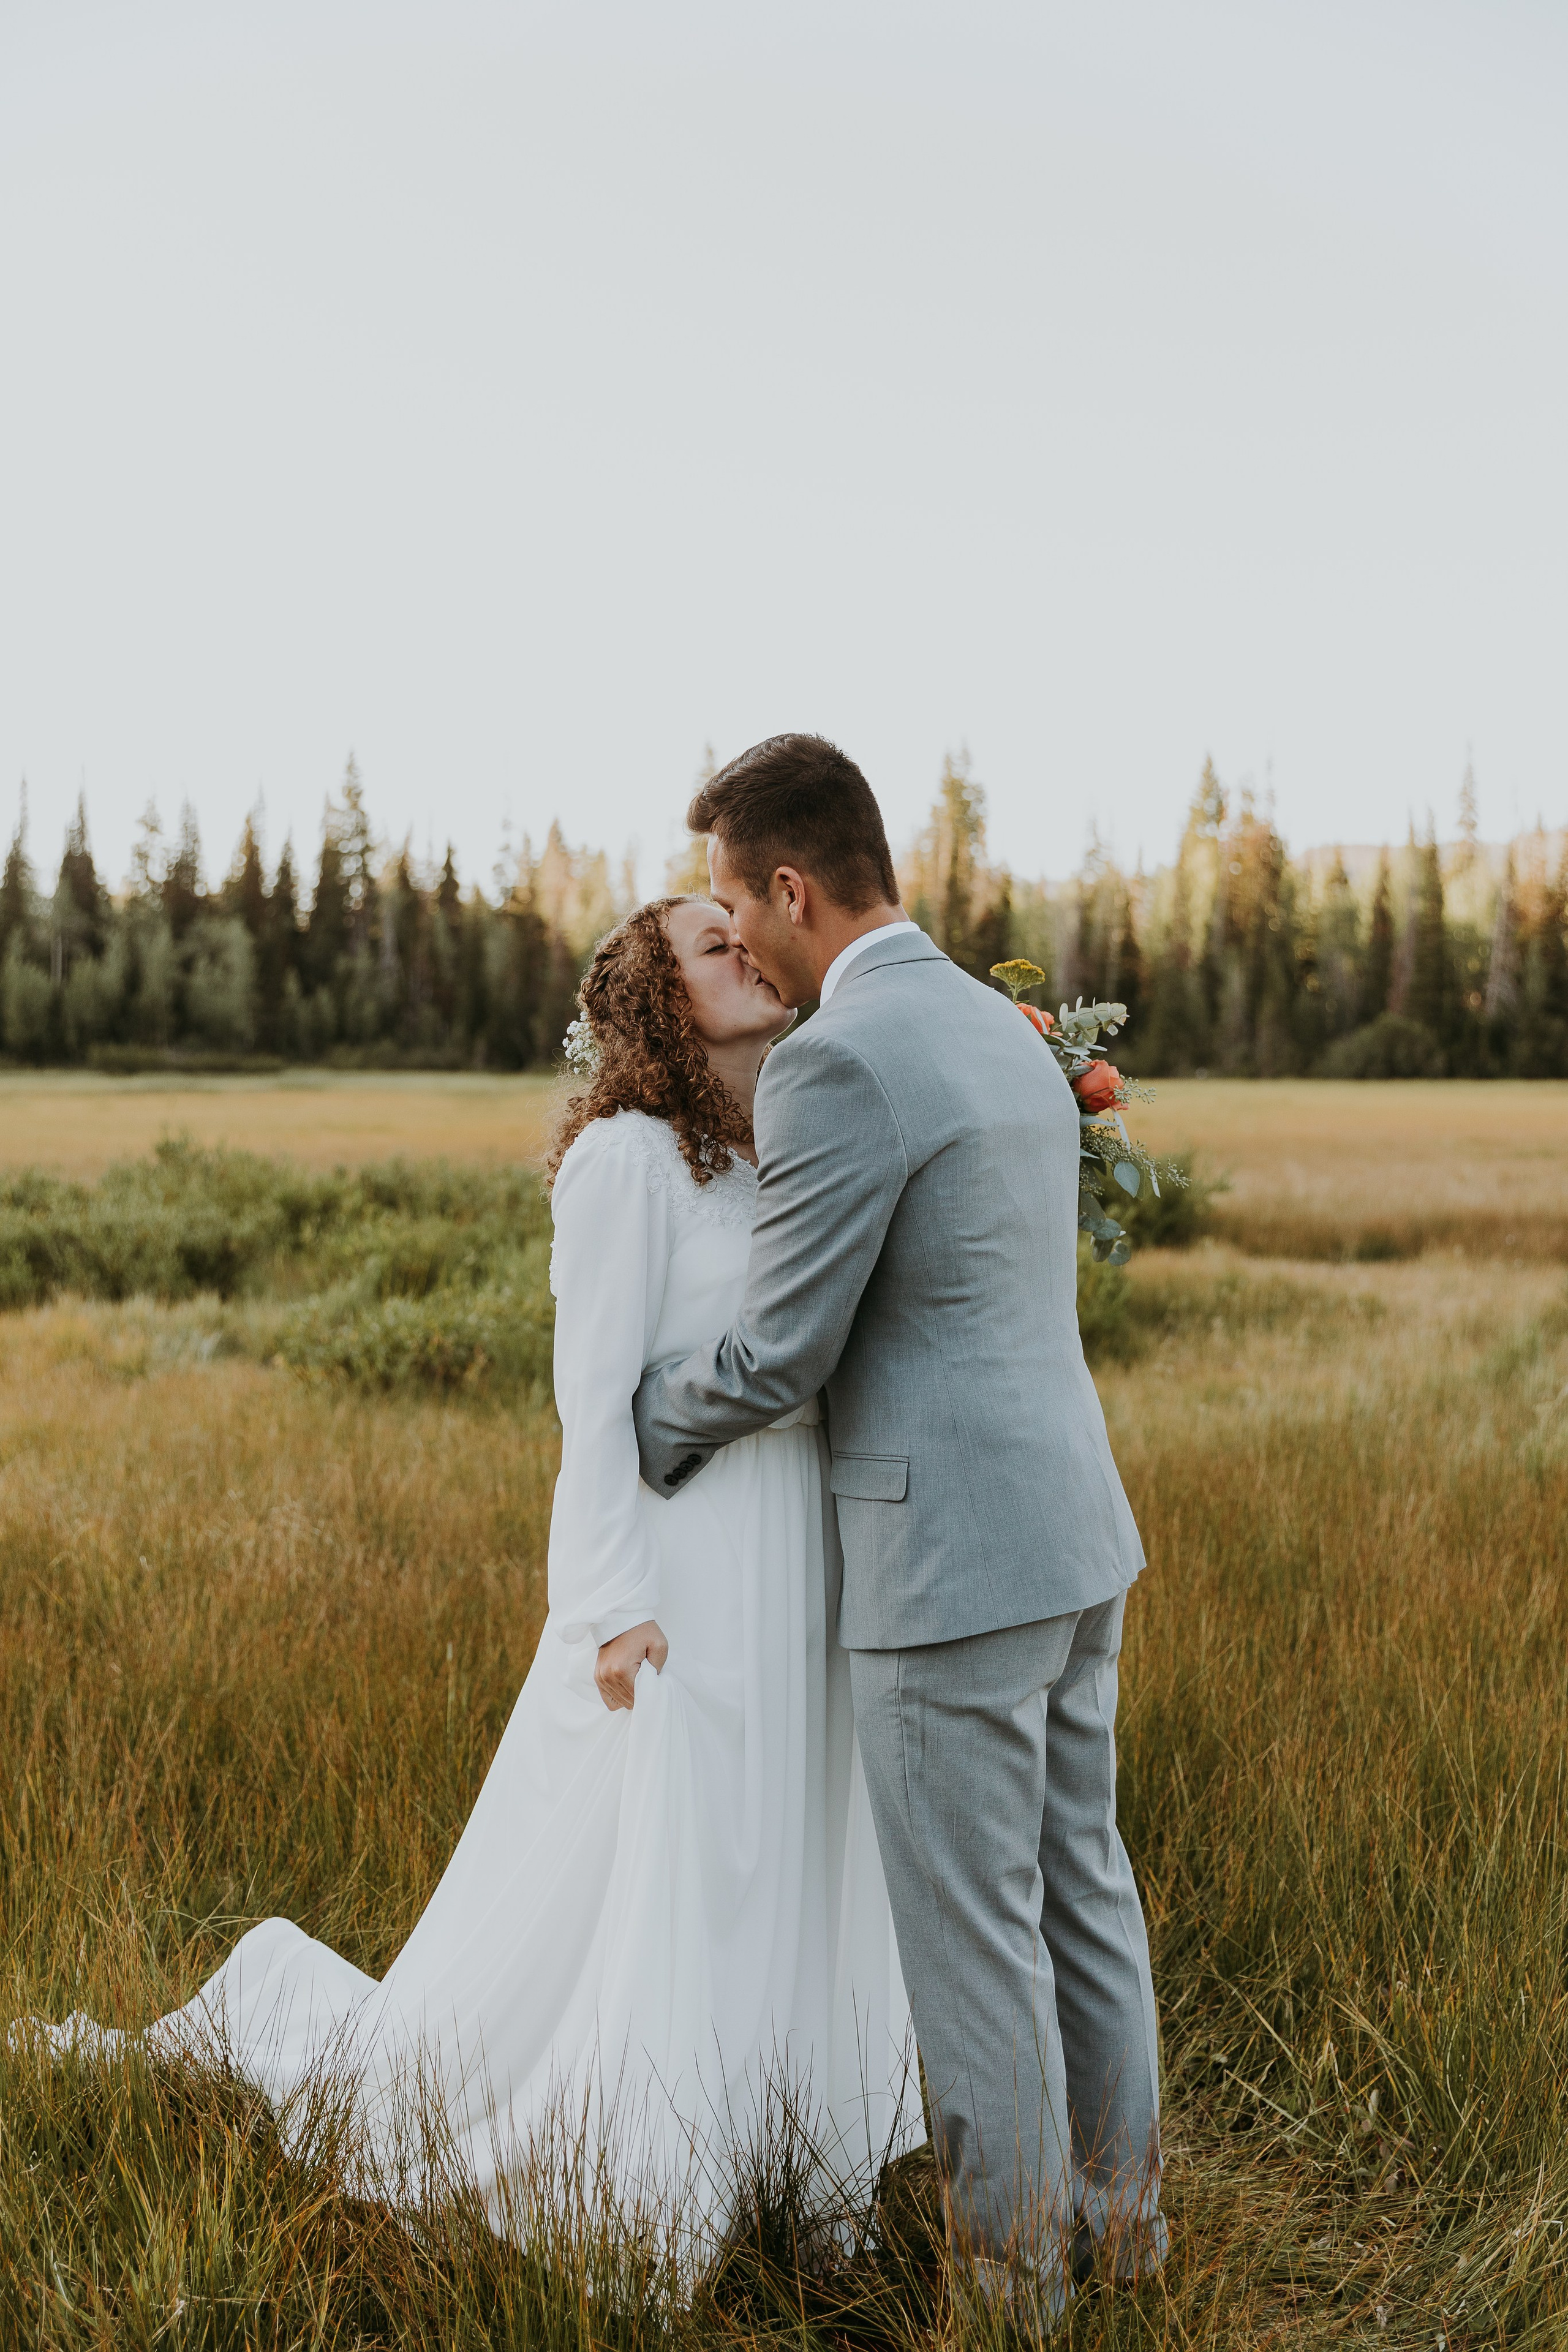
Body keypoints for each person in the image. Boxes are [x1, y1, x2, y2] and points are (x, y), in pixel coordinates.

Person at [28, 894, 919, 2235]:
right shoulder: (624, 1160)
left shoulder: (771, 1153)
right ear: (661, 1003)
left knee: (778, 1840)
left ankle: (779, 2156)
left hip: (799, 1544)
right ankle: (641, 2170)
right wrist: (609, 1608)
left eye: (742, 931)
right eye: (708, 946)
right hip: (685, 1564)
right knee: (684, 1854)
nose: (743, 950)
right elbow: (591, 1401)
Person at [631, 733, 1166, 2313]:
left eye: (735, 912)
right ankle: (1127, 2248)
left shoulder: (836, 1061)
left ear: (791, 888)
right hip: (1072, 1530)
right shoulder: (1001, 1030)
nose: (734, 940)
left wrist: (639, 1417)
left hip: (944, 1562)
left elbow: (784, 1351)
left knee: (971, 1942)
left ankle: (1014, 2298)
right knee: (1084, 1891)